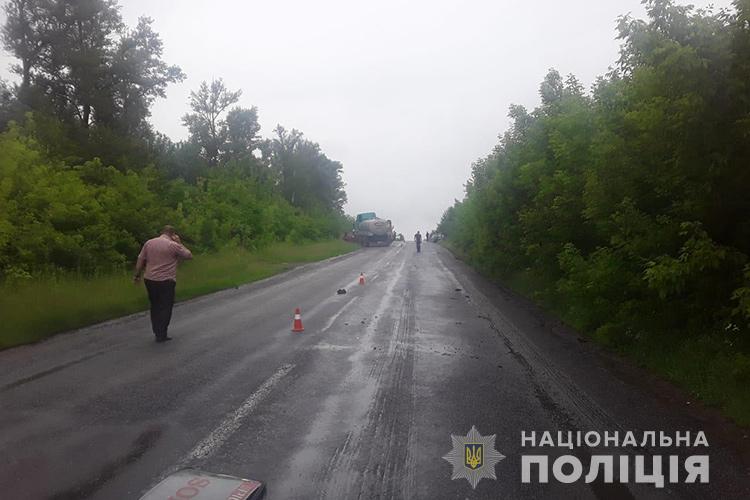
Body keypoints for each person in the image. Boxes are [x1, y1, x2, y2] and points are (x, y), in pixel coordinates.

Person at [134, 225, 193, 342]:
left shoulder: (149, 243)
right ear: (173, 234)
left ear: (162, 232)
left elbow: (141, 259)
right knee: (166, 306)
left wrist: (137, 275)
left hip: (150, 279)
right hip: (166, 281)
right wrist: (179, 243)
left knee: (155, 305)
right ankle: (162, 332)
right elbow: (189, 255)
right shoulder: (173, 245)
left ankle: (157, 330)